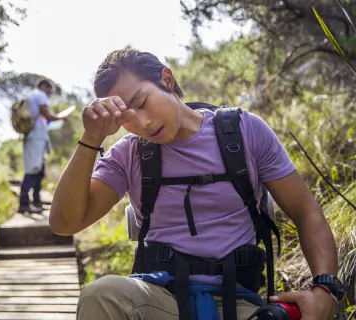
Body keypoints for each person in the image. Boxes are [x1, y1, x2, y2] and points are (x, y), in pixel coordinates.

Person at [49, 48, 342, 320]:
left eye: (142, 103)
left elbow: (306, 212)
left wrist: (325, 290)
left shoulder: (244, 132)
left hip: (240, 303)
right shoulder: (129, 154)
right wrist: (91, 137)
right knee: (101, 295)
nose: (144, 123)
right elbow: (65, 222)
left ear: (166, 79)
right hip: (160, 298)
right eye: (127, 119)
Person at [18, 78, 66, 214]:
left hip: (36, 138)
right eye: (49, 90)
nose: (50, 94)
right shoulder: (39, 95)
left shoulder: (31, 96)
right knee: (32, 170)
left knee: (39, 171)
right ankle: (24, 204)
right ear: (44, 86)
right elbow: (47, 114)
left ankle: (37, 202)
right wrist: (61, 116)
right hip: (36, 138)